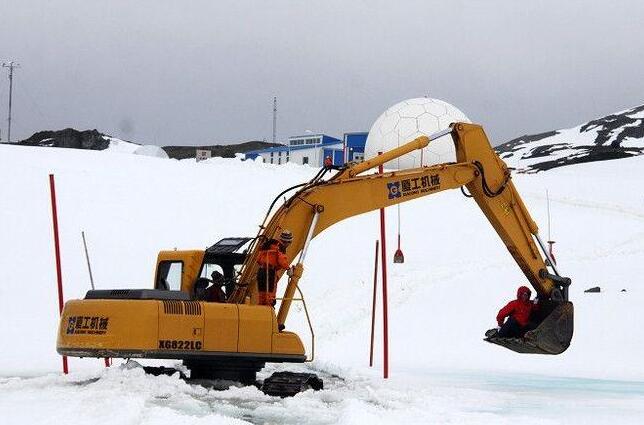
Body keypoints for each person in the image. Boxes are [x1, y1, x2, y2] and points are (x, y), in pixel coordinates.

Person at [256, 230, 293, 306]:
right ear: (287, 242)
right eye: (290, 242)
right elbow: (282, 260)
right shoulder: (280, 247)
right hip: (269, 273)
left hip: (261, 271)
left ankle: (261, 309)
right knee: (270, 295)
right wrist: (288, 269)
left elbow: (258, 259)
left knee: (262, 294)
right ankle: (268, 310)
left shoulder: (267, 245)